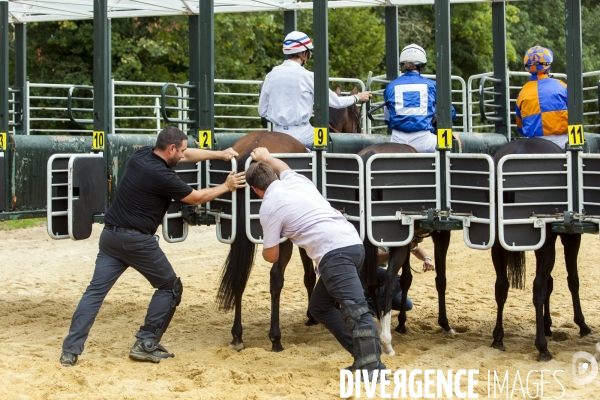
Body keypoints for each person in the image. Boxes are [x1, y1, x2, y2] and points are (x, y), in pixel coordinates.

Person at [59, 126, 247, 367]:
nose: (183, 155)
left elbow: (188, 155)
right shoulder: (163, 176)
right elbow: (196, 198)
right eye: (180, 151)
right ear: (170, 149)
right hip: (137, 241)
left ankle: (70, 351)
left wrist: (219, 154)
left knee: (94, 294)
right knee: (170, 287)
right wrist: (226, 186)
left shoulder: (142, 155)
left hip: (110, 237)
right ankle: (146, 344)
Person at [246, 147, 386, 377]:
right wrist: (266, 157)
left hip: (334, 254)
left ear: (255, 189)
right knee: (319, 306)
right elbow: (283, 166)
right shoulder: (295, 180)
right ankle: (362, 355)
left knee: (355, 311)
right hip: (352, 244)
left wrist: (274, 238)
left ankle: (372, 366)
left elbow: (272, 256)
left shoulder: (268, 207)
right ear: (273, 175)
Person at [258, 31, 372, 148]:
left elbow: (262, 111)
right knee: (327, 140)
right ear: (303, 54)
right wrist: (358, 97)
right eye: (309, 53)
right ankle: (321, 165)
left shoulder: (270, 75)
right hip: (303, 134)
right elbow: (336, 103)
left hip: (277, 132)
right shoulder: (308, 76)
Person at [383, 43, 456, 153]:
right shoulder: (432, 86)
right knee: (450, 142)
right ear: (422, 65)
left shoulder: (390, 86)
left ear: (402, 64)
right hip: (424, 140)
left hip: (396, 140)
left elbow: (387, 119)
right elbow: (449, 114)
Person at [515, 45, 568, 149]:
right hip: (561, 142)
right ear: (548, 67)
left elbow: (520, 127)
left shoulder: (522, 93)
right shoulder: (562, 86)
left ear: (528, 68)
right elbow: (575, 115)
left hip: (533, 144)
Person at [365, 241, 435, 315]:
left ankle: (371, 297)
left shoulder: (400, 236)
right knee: (397, 280)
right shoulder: (383, 237)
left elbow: (416, 249)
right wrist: (399, 251)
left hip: (377, 274)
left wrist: (426, 258)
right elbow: (376, 259)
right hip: (366, 271)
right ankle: (369, 308)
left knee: (407, 304)